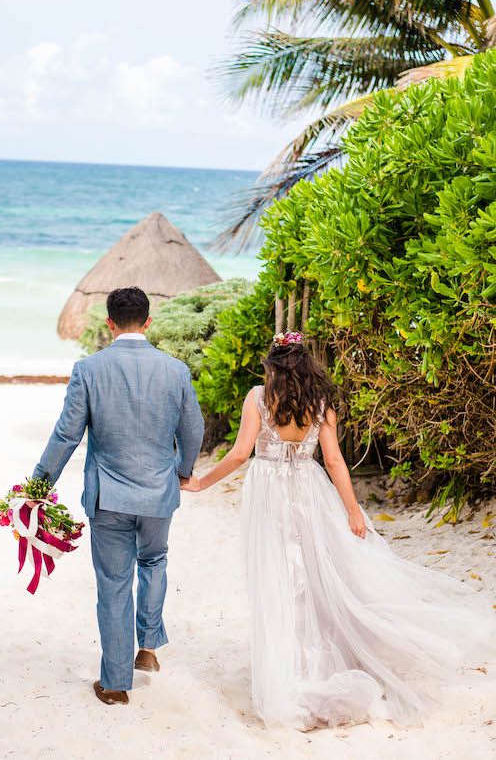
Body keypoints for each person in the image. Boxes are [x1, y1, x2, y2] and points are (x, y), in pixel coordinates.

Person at [181, 330, 496, 730]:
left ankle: (292, 669)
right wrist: (352, 510)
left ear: (272, 364)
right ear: (305, 361)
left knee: (279, 578)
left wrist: (202, 483)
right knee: (315, 576)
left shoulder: (258, 397)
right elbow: (333, 461)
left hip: (270, 495)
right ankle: (320, 660)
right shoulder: (320, 400)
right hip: (310, 492)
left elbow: (241, 453)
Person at [33, 286, 204, 706]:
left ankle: (114, 683)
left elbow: (66, 435)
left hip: (109, 496)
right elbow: (194, 429)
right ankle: (147, 648)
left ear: (110, 323)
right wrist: (181, 472)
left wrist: (39, 485)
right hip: (159, 492)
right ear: (148, 322)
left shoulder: (89, 369)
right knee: (154, 561)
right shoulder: (175, 370)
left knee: (113, 583)